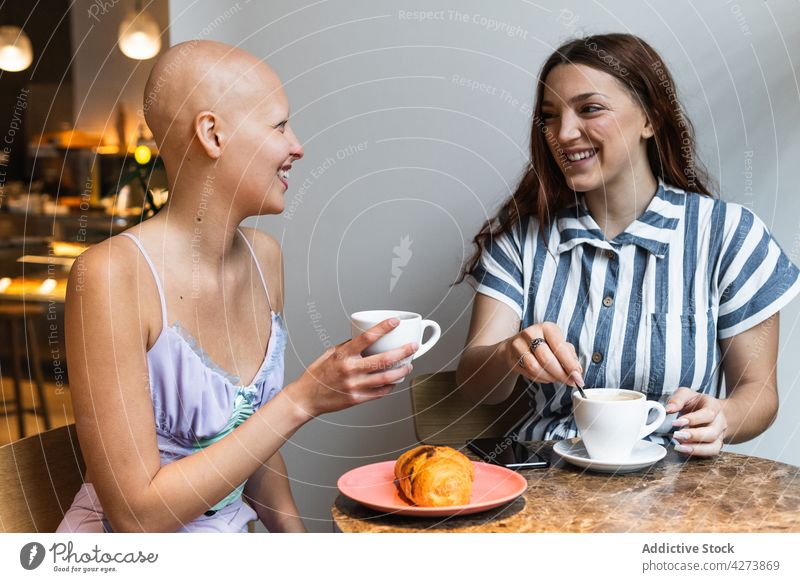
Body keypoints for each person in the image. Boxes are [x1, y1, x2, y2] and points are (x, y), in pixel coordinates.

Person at [57, 41, 417, 532]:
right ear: (212, 134)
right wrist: (301, 400)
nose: (298, 146)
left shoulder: (264, 259)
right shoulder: (109, 276)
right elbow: (135, 516)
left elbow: (257, 460)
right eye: (279, 125)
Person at [456, 33, 800, 457]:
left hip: (677, 490)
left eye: (590, 109)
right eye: (549, 116)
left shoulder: (730, 235)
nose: (563, 133)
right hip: (546, 483)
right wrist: (511, 354)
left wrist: (724, 417)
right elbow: (476, 386)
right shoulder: (522, 242)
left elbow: (759, 395)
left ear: (650, 119)